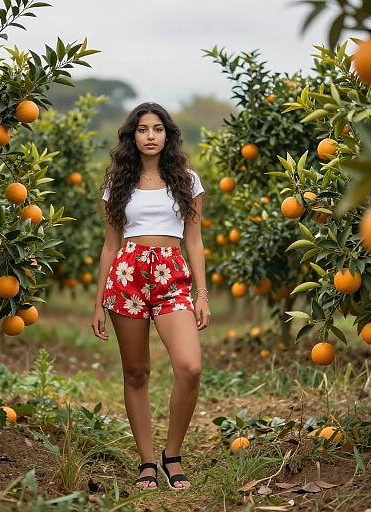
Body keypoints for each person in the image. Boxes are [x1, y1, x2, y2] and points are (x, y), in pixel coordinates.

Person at [91, 102, 211, 491]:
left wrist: (202, 294)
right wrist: (98, 302)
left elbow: (194, 239)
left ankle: (171, 455)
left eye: (157, 129)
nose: (150, 136)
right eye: (142, 129)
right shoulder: (117, 184)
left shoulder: (187, 181)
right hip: (127, 274)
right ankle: (146, 461)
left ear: (168, 135)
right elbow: (110, 246)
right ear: (132, 136)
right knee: (137, 372)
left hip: (171, 276)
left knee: (190, 367)